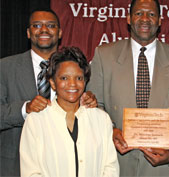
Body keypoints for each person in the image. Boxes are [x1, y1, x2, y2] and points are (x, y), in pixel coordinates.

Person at [87, 0, 169, 176]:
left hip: (162, 169)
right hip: (116, 164)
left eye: (151, 14)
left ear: (160, 20)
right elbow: (94, 106)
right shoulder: (104, 56)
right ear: (129, 19)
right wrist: (110, 131)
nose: (145, 19)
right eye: (139, 13)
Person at [0, 9, 97, 177]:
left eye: (51, 25)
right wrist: (25, 108)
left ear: (59, 33)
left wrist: (90, 101)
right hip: (15, 166)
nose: (44, 30)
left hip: (64, 165)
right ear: (29, 33)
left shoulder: (75, 68)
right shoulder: (5, 67)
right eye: (37, 25)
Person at [19, 46, 119, 177]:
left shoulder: (101, 119)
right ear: (53, 83)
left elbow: (110, 167)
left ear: (85, 81)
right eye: (64, 78)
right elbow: (30, 172)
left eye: (78, 78)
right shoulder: (36, 121)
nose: (72, 84)